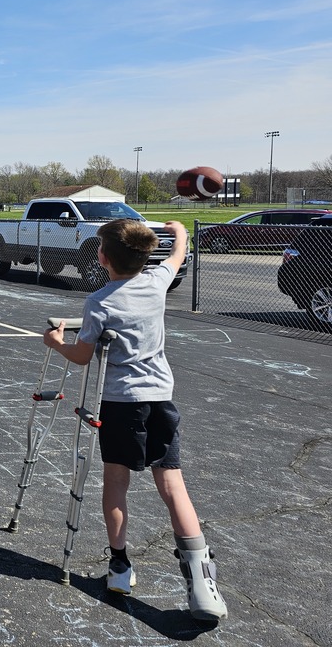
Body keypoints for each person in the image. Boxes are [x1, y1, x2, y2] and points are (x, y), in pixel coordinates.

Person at [42, 219, 228, 623]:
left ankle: (121, 566)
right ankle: (202, 579)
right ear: (146, 255)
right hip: (160, 399)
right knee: (171, 483)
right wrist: (178, 229)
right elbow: (177, 253)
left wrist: (58, 343)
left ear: (102, 256)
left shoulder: (100, 302)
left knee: (116, 482)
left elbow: (83, 355)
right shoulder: (158, 282)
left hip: (122, 404)